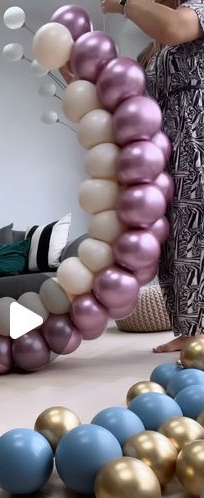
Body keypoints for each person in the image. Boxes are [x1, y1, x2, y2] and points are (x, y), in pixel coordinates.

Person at [98, 0, 204, 352]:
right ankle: (188, 328)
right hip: (162, 151)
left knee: (195, 233)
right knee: (172, 242)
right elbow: (132, 102)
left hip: (197, 137)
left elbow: (174, 26)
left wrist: (124, 4)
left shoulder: (196, 10)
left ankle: (199, 332)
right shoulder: (151, 52)